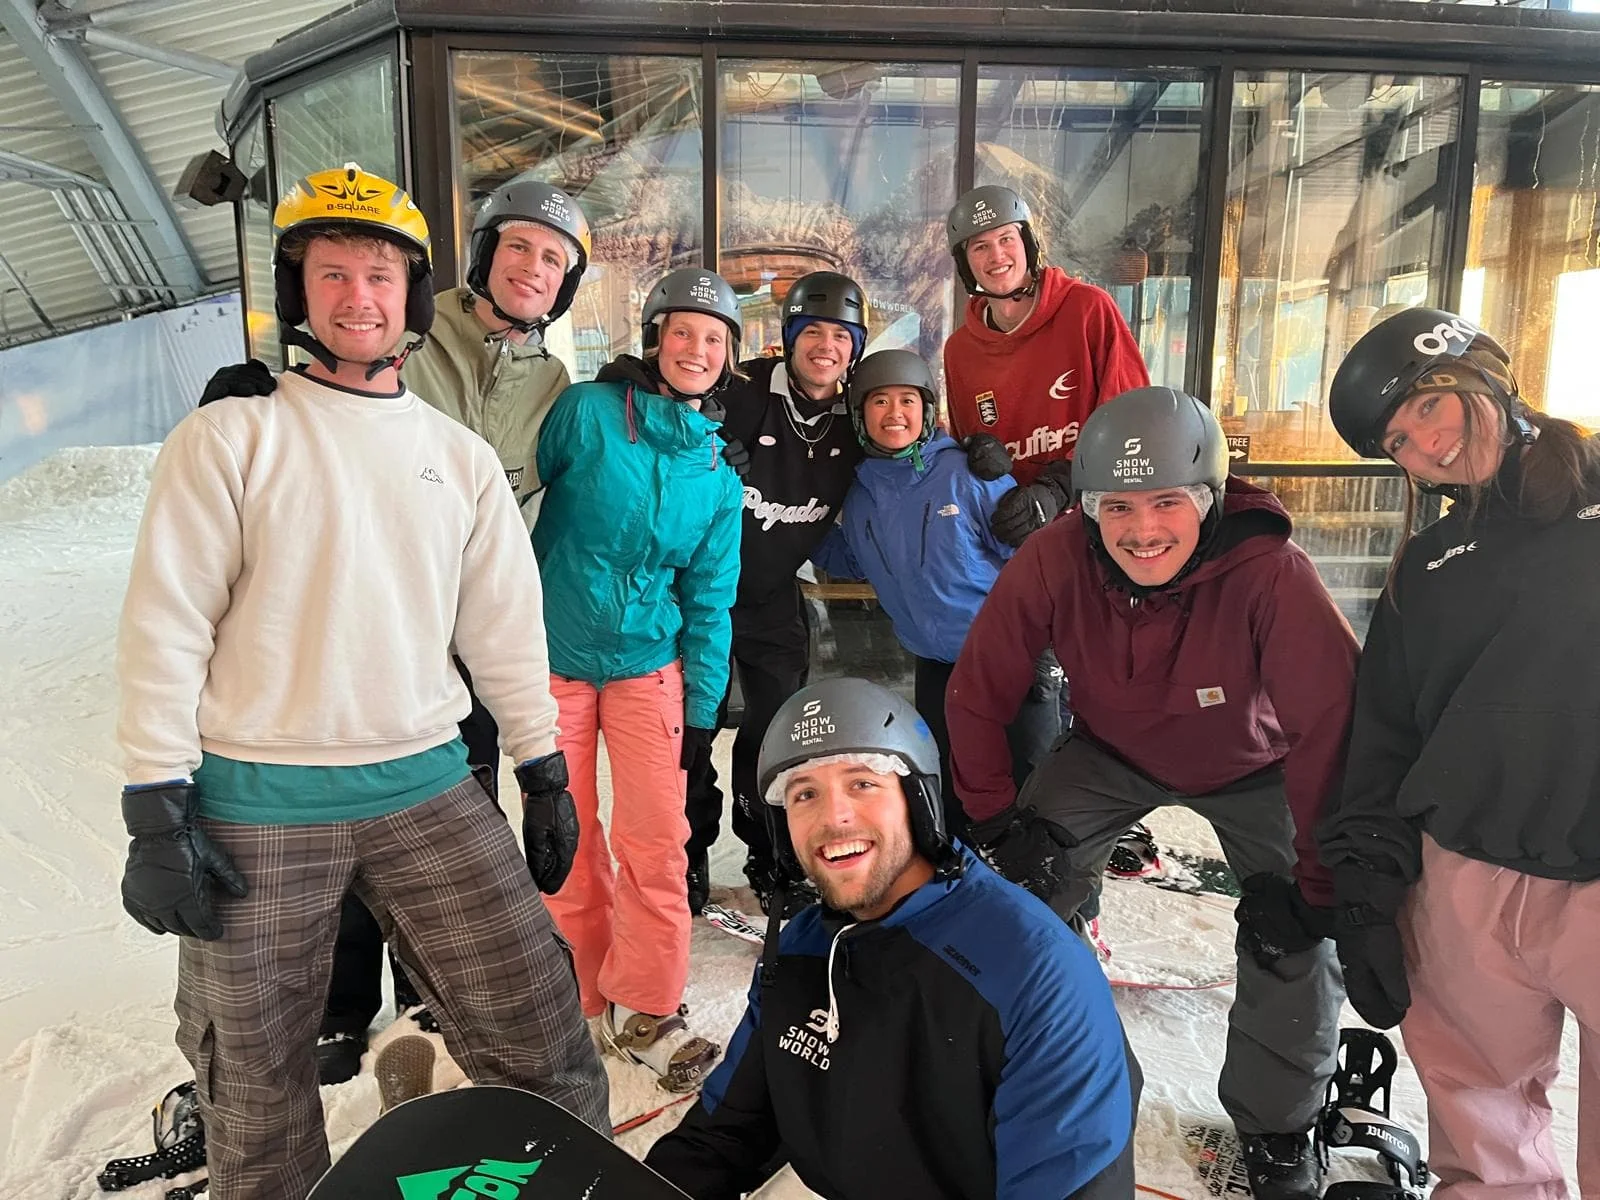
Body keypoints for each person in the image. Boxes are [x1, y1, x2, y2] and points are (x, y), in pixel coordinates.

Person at [113, 164, 608, 1200]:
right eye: (331, 274)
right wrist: (156, 804)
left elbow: (504, 625)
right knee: (252, 1089)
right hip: (253, 801)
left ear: (411, 294)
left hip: (425, 787)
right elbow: (166, 624)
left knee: (540, 1028)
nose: (356, 297)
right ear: (300, 293)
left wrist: (544, 765)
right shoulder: (230, 437)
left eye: (379, 276)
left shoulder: (457, 457)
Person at [197, 178, 593, 1081]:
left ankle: (433, 983)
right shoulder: (415, 329)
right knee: (340, 797)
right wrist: (261, 395)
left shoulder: (556, 382)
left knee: (447, 824)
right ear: (485, 256)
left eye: (555, 260)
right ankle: (342, 1004)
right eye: (520, 248)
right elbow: (335, 393)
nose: (534, 270)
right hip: (368, 611)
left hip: (463, 628)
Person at [947, 386, 1357, 1200]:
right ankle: (1048, 1059)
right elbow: (979, 688)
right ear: (1088, 508)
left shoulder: (1271, 572)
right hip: (1110, 749)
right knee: (1017, 892)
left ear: (1207, 498)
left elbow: (1333, 724)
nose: (1142, 530)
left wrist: (1319, 884)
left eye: (1167, 501)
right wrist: (995, 818)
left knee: (1296, 936)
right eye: (1117, 505)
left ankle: (1278, 1123)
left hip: (1256, 762)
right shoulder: (1056, 556)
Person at [644, 678, 1139, 1200]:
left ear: (917, 799)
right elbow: (725, 1132)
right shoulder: (801, 952)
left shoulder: (1033, 973)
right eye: (805, 794)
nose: (834, 817)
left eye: (863, 784)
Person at [1320, 307, 1600, 1198]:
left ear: (1483, 379)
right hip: (1463, 886)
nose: (1424, 450)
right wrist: (1366, 886)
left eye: (1429, 411)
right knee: (1482, 1145)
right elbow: (1386, 735)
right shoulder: (1428, 563)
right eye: (1398, 441)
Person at [533, 267, 743, 1092]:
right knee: (567, 836)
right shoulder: (586, 414)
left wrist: (701, 711)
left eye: (715, 339)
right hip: (554, 663)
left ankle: (647, 1003)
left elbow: (712, 596)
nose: (696, 348)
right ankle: (580, 996)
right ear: (655, 338)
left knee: (658, 841)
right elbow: (502, 485)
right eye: (683, 331)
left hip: (649, 670)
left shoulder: (717, 475)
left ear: (729, 359)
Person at [682, 270, 870, 919]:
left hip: (768, 596)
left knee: (778, 731)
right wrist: (701, 435)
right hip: (697, 594)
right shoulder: (741, 391)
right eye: (811, 331)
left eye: (841, 336)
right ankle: (687, 848)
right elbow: (665, 403)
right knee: (691, 728)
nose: (825, 347)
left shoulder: (859, 417)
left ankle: (769, 851)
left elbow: (913, 450)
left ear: (856, 348)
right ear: (789, 338)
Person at [808, 348, 1058, 833]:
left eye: (907, 400)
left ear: (927, 410)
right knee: (950, 781)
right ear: (860, 415)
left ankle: (1063, 903)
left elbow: (1032, 560)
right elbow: (855, 560)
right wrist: (791, 527)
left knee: (1035, 788)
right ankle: (968, 883)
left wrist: (1045, 649)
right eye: (879, 402)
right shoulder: (861, 496)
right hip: (935, 665)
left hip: (1006, 658)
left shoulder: (967, 476)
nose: (895, 414)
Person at [942, 184, 1150, 547]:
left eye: (1006, 238)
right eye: (980, 246)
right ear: (966, 262)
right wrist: (980, 458)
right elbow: (964, 443)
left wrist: (1059, 487)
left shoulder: (1088, 311)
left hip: (1096, 529)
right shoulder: (959, 351)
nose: (996, 256)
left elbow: (1132, 416)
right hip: (1016, 538)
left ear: (1027, 243)